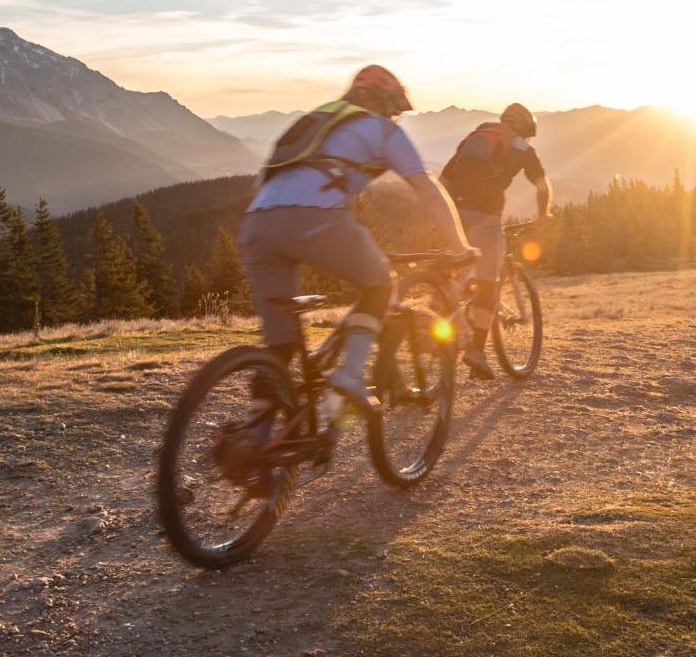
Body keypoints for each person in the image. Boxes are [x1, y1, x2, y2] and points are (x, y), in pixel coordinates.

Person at [236, 65, 471, 453]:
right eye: (395, 110)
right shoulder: (382, 129)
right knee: (381, 284)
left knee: (279, 346)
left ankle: (255, 443)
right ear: (386, 102)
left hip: (257, 224)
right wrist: (459, 245)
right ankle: (349, 378)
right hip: (313, 216)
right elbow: (427, 188)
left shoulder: (315, 120)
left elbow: (267, 179)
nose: (396, 118)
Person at [438, 103, 550, 379]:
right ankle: (476, 350)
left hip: (452, 211)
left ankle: (436, 316)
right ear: (525, 128)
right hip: (485, 214)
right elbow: (542, 185)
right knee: (489, 282)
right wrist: (542, 217)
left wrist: (443, 213)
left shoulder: (476, 136)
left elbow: (444, 177)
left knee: (452, 272)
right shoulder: (521, 146)